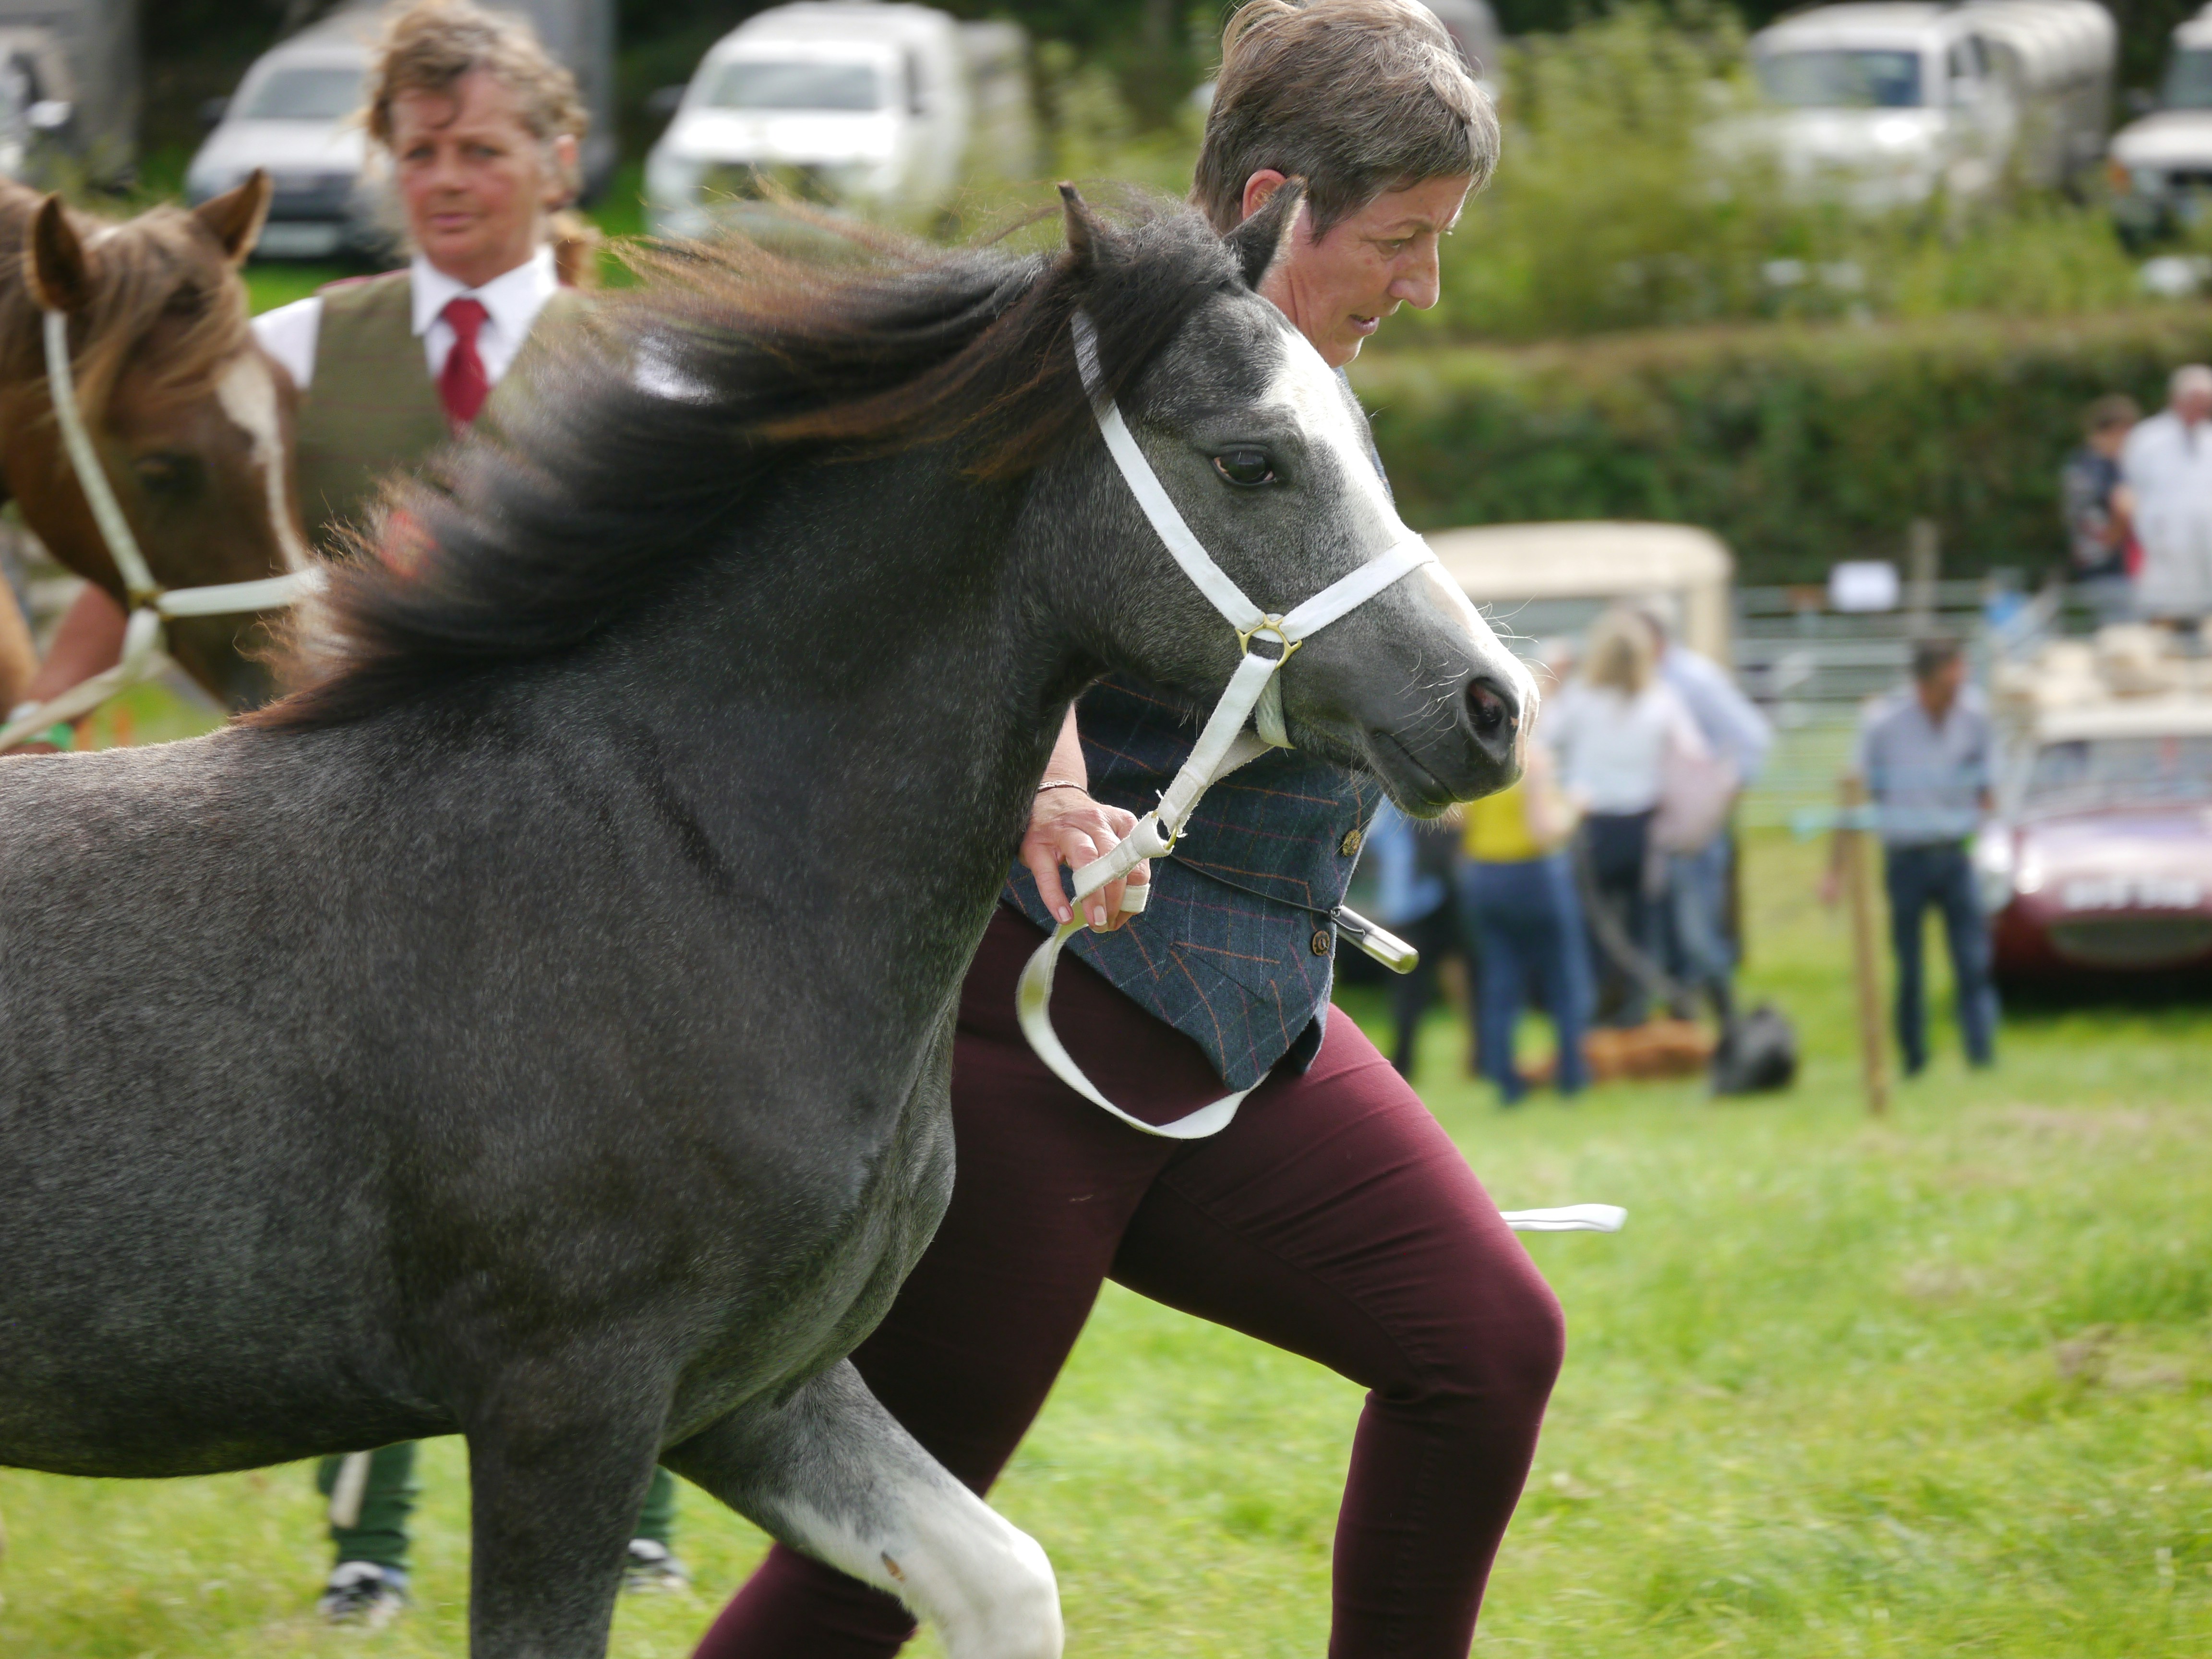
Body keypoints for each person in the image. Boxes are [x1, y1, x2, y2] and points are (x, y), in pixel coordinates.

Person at [693, 4, 1563, 1656]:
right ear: (1273, 200)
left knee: (1484, 1345)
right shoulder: (1086, 361)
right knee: (879, 1566)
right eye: (1401, 239)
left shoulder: (1295, 394)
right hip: (1038, 1030)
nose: (1425, 285)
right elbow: (965, 566)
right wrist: (1049, 779)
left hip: (1243, 1021)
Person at [238, 0, 681, 1625]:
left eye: (480, 148)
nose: (444, 177)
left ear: (559, 159)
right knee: (375, 1187)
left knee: (626, 1174)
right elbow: (169, 536)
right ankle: (367, 1541)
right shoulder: (297, 349)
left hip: (593, 837)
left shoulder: (652, 353)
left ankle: (639, 1509)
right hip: (361, 839)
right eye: (417, 150)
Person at [1824, 635, 1997, 1076]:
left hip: (1957, 855)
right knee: (1909, 967)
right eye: (1947, 685)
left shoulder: (1976, 716)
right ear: (1922, 684)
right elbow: (1852, 793)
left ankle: (1981, 1055)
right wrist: (1835, 871)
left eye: (1960, 683)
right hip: (1907, 859)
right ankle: (1914, 1059)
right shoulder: (1883, 724)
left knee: (1973, 961)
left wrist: (1989, 840)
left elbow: (1990, 789)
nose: (1956, 693)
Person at [1548, 605, 1707, 1029]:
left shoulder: (1581, 697)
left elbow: (1546, 737)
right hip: (1643, 825)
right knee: (1642, 925)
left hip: (1594, 824)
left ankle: (1595, 1011)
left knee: (1594, 925)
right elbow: (1693, 753)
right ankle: (1636, 1010)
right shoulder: (1661, 699)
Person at [1635, 600, 1771, 1029]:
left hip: (1695, 832)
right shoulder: (1644, 680)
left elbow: (1752, 738)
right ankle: (1688, 1034)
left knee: (1699, 937)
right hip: (1659, 831)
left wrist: (1718, 802)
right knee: (1670, 942)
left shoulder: (1695, 680)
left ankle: (1731, 1026)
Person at [1458, 723, 1589, 1104]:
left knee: (1501, 982)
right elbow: (1543, 830)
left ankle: (1505, 1080)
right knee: (1564, 978)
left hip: (1483, 875)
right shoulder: (1532, 759)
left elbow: (1460, 819)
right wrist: (1575, 809)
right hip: (1533, 875)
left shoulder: (1475, 759)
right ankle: (1572, 1077)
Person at [1364, 797, 1466, 1076]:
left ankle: (1471, 1053)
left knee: (1431, 976)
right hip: (1412, 899)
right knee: (1414, 982)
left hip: (1424, 895)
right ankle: (1406, 1059)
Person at [2120, 365, 2212, 628]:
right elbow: (2130, 489)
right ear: (2178, 399)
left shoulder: (2208, 438)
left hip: (2204, 548)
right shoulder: (2147, 438)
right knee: (2163, 616)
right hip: (2162, 547)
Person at [2061, 394, 2140, 624]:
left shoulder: (2091, 465)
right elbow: (2118, 512)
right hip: (2107, 571)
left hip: (2114, 570)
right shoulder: (2092, 468)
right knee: (2124, 633)